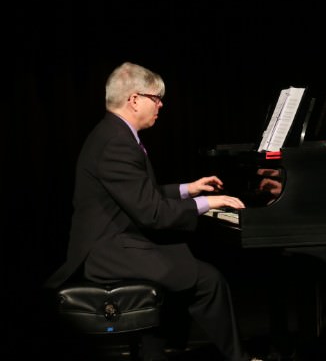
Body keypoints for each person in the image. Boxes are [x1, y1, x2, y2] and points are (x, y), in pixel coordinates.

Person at [44, 61, 262, 361]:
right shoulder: (117, 143)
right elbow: (153, 213)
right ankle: (237, 358)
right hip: (107, 253)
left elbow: (139, 195)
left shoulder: (114, 133)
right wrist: (208, 203)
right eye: (156, 98)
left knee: (182, 262)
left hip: (115, 243)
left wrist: (189, 189)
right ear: (134, 99)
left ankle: (158, 349)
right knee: (206, 279)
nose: (161, 105)